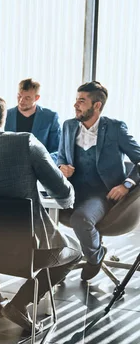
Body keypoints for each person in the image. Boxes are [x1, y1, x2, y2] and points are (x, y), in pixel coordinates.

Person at [0, 94, 82, 333]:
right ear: (4, 119)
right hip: (27, 252)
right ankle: (19, 304)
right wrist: (67, 200)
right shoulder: (25, 142)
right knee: (74, 252)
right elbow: (61, 190)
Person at [58, 82, 140, 280]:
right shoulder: (69, 125)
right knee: (37, 210)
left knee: (81, 219)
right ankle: (53, 264)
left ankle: (95, 256)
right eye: (76, 100)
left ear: (97, 105)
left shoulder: (115, 128)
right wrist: (62, 167)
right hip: (71, 191)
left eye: (81, 101)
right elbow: (61, 156)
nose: (75, 105)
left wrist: (126, 185)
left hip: (101, 193)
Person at [5, 78, 61, 159]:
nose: (21, 100)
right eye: (19, 96)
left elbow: (57, 150)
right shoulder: (5, 116)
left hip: (39, 168)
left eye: (27, 98)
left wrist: (44, 163)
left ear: (37, 98)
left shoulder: (50, 117)